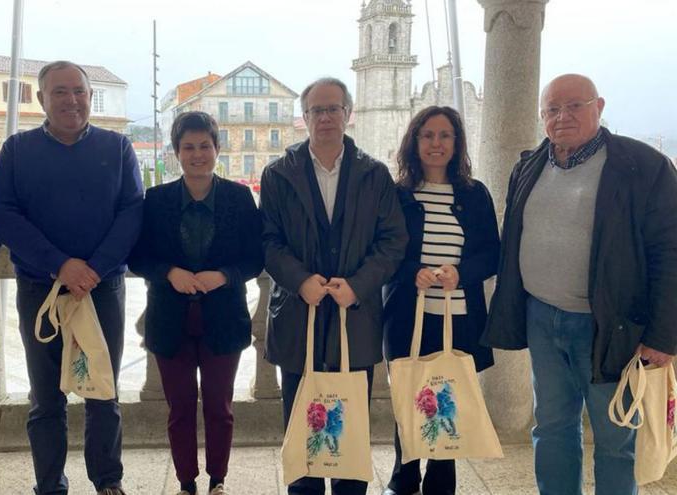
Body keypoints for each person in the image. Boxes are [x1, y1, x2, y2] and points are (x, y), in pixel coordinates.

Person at [483, 73, 677, 495]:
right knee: (551, 426)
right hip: (542, 316)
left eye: (574, 106)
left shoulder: (641, 166)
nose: (562, 116)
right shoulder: (530, 164)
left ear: (599, 106)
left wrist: (664, 336)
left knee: (615, 435)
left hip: (611, 327)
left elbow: (670, 252)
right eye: (552, 109)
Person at [0, 60, 143, 495]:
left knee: (102, 391)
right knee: (45, 397)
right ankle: (50, 484)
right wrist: (60, 264)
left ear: (90, 97)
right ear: (41, 99)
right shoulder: (17, 150)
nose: (71, 100)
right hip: (41, 287)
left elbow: (132, 211)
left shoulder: (117, 148)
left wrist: (93, 268)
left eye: (79, 91)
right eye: (60, 92)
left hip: (102, 287)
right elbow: (6, 216)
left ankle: (107, 479)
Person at [260, 77, 408, 495]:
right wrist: (299, 280)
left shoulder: (375, 175)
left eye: (333, 109)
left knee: (350, 427)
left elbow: (393, 240)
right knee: (301, 422)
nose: (325, 117)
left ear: (349, 113)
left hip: (353, 316)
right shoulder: (278, 174)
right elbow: (267, 241)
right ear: (304, 117)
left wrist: (359, 286)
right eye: (316, 110)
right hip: (296, 314)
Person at [129, 111, 263, 495]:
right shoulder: (156, 200)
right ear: (177, 152)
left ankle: (218, 479)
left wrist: (223, 275)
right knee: (180, 408)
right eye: (188, 147)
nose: (198, 154)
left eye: (205, 145)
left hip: (224, 319)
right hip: (170, 321)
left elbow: (255, 258)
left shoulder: (239, 197)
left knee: (219, 407)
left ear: (217, 149)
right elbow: (138, 257)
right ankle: (186, 481)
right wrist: (170, 272)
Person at [381, 106, 500, 495]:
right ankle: (404, 478)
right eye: (427, 135)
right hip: (406, 314)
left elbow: (490, 253)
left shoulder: (475, 194)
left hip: (458, 317)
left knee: (448, 400)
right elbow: (385, 249)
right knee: (408, 398)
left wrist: (459, 274)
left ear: (456, 142)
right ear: (414, 142)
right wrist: (412, 269)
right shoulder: (397, 195)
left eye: (444, 135)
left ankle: (441, 481)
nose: (436, 143)